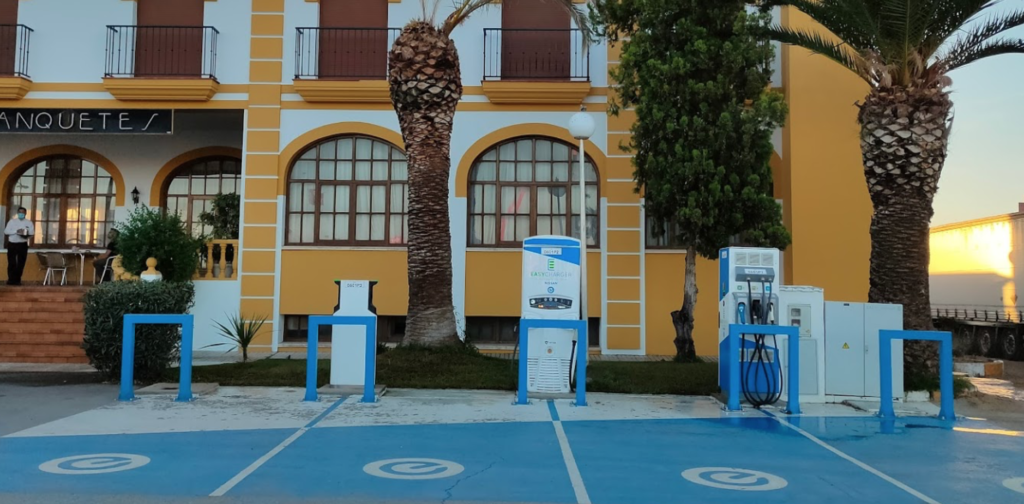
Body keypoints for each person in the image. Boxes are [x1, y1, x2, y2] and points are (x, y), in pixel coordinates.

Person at [4, 207, 34, 286]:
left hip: (22, 244)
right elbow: (6, 231)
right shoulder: (12, 221)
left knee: (21, 263)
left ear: (25, 213)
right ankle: (11, 280)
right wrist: (16, 231)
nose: (21, 214)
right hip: (12, 243)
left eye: (23, 212)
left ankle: (17, 280)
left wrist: (25, 235)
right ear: (17, 213)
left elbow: (31, 233)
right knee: (11, 262)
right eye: (20, 212)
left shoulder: (29, 222)